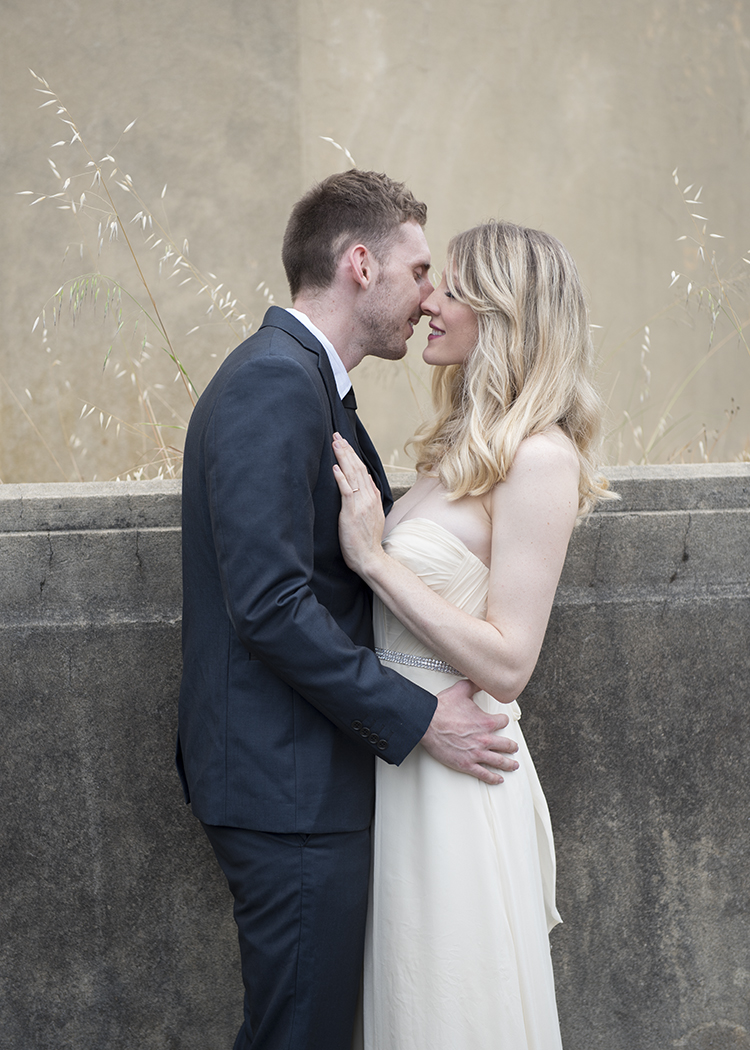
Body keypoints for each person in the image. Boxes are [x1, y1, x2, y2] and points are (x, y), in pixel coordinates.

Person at [175, 173, 521, 1050]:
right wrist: (418, 717)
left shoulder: (307, 382)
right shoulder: (271, 384)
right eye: (417, 271)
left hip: (304, 774)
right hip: (283, 784)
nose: (428, 297)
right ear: (359, 264)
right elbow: (271, 605)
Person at [332, 219, 612, 1050]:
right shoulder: (458, 449)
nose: (428, 303)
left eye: (450, 289)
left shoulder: (540, 458)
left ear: (501, 313)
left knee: (450, 1007)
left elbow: (510, 659)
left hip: (461, 775)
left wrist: (376, 562)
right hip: (403, 757)